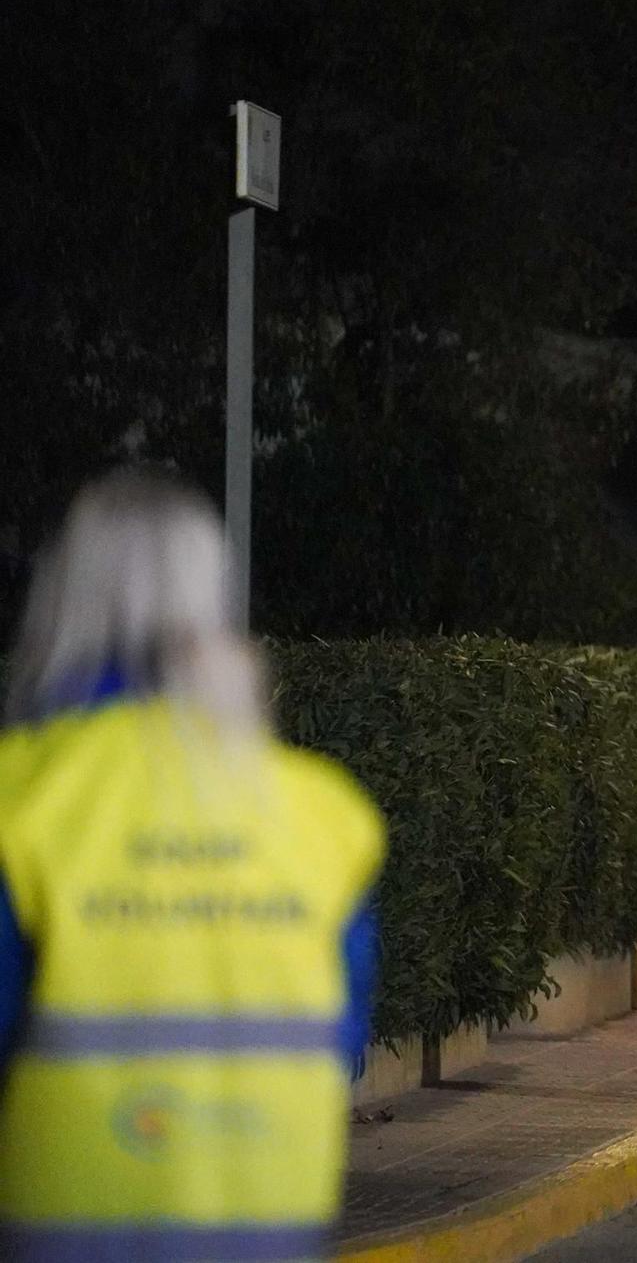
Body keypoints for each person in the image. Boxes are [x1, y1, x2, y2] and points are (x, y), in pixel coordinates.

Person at [0, 470, 384, 1260]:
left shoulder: (21, 792)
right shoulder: (321, 811)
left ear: (64, 595)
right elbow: (343, 1033)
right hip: (270, 1232)